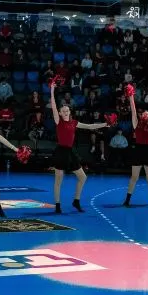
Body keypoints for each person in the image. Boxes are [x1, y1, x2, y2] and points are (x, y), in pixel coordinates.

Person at [49, 83, 108, 213]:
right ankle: (57, 205)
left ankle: (76, 201)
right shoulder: (58, 121)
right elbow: (53, 105)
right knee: (58, 180)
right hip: (61, 152)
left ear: (70, 112)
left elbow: (90, 126)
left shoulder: (74, 122)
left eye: (67, 110)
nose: (65, 112)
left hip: (71, 152)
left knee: (83, 177)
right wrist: (52, 90)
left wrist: (105, 124)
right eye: (63, 111)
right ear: (60, 113)